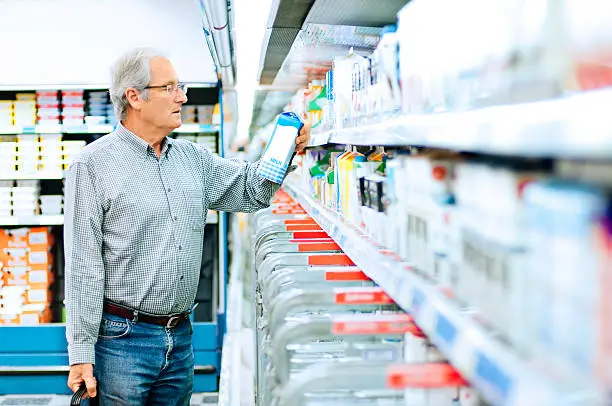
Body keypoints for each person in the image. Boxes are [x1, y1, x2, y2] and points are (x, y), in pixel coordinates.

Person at [64, 47, 310, 405]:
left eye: (181, 87)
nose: (181, 96)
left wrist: (284, 151)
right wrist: (81, 352)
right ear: (134, 97)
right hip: (121, 342)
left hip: (180, 337)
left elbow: (248, 189)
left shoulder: (192, 158)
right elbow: (83, 265)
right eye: (170, 88)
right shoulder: (92, 166)